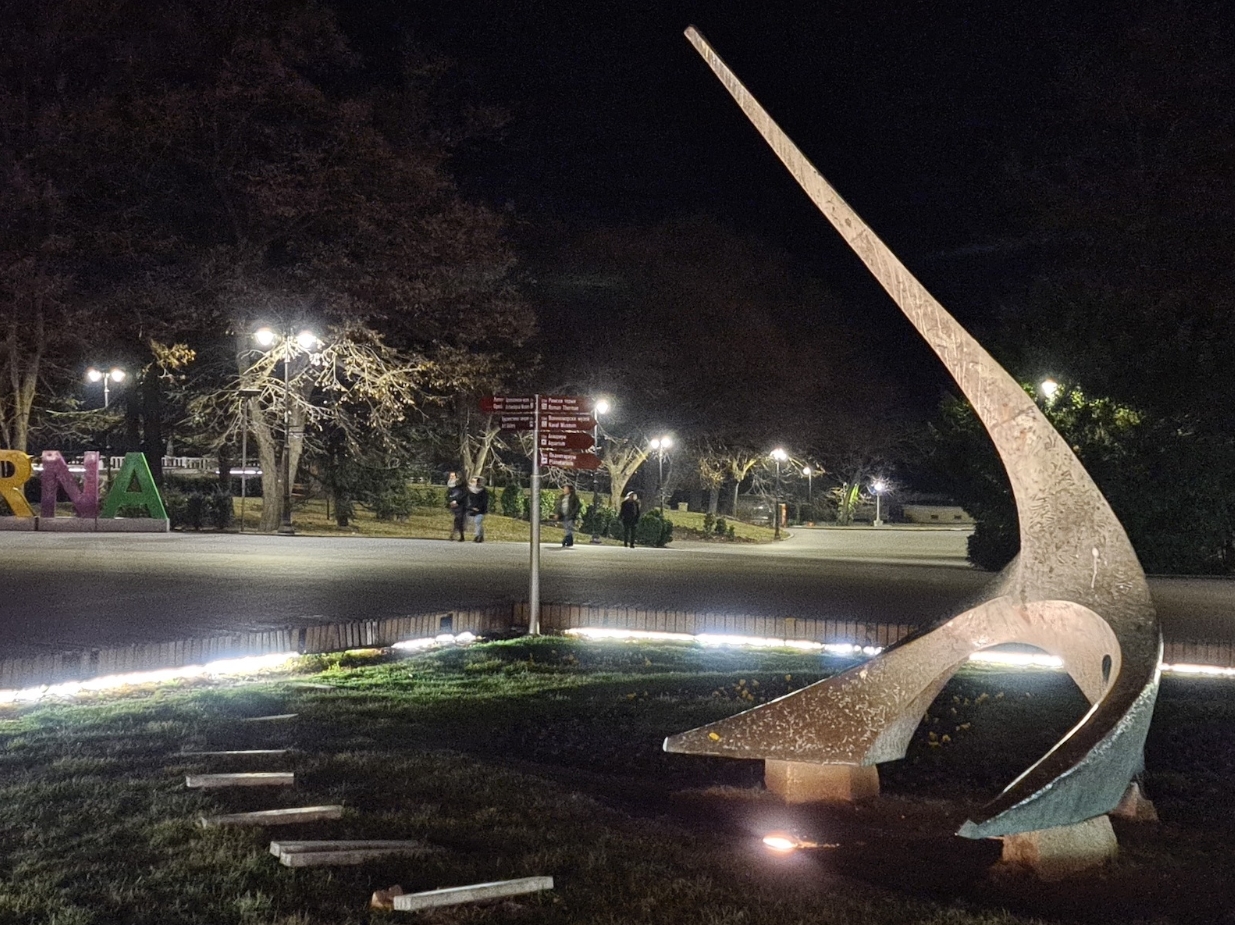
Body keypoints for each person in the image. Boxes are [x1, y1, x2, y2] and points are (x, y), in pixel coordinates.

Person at [446, 472, 467, 541]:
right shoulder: (451, 487)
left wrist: (457, 502)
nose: (451, 478)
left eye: (453, 476)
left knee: (458, 520)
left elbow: (463, 496)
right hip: (455, 506)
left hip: (461, 506)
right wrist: (450, 502)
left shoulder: (461, 487)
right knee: (458, 521)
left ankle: (454, 535)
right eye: (450, 476)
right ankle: (460, 536)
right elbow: (449, 496)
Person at [466, 476, 489, 542]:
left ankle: (477, 536)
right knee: (475, 523)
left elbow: (484, 501)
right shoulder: (469, 490)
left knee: (477, 522)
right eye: (472, 481)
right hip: (471, 509)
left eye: (475, 481)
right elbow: (467, 500)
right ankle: (481, 536)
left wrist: (478, 507)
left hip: (480, 510)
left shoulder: (483, 491)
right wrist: (471, 507)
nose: (474, 483)